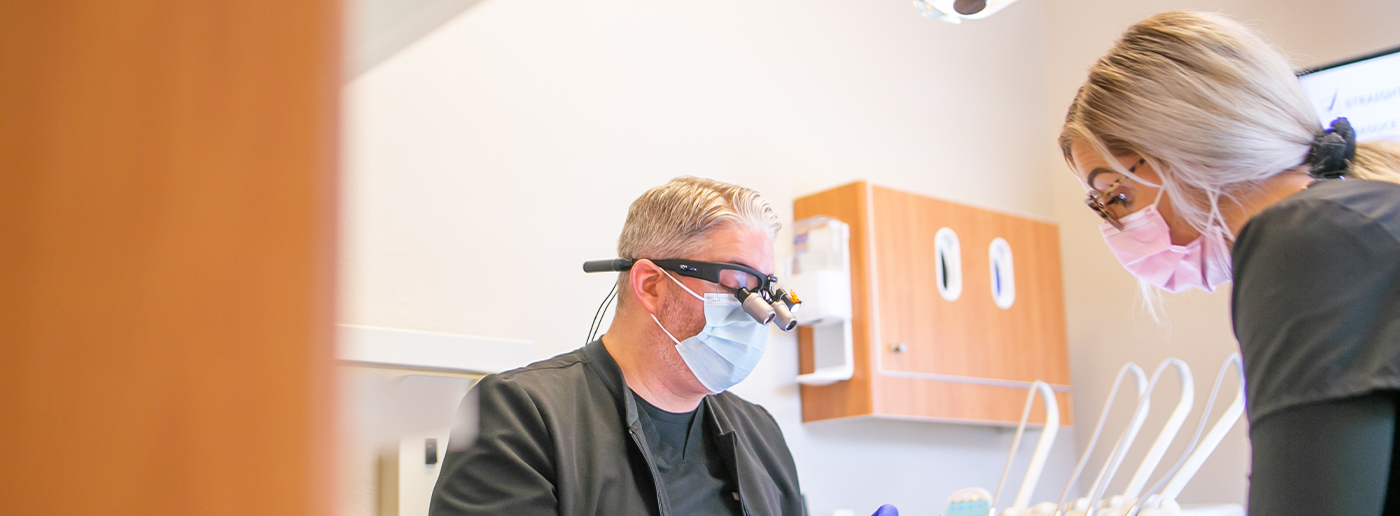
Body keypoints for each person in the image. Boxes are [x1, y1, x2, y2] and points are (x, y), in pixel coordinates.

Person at [1058, 11, 1400, 516]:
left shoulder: (1307, 238)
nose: (1116, 222)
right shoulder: (1360, 219)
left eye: (1116, 194)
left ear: (1183, 147)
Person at [429, 177, 804, 516]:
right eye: (738, 286)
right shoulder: (523, 417)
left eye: (763, 292)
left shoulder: (760, 434)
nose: (756, 314)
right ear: (651, 286)